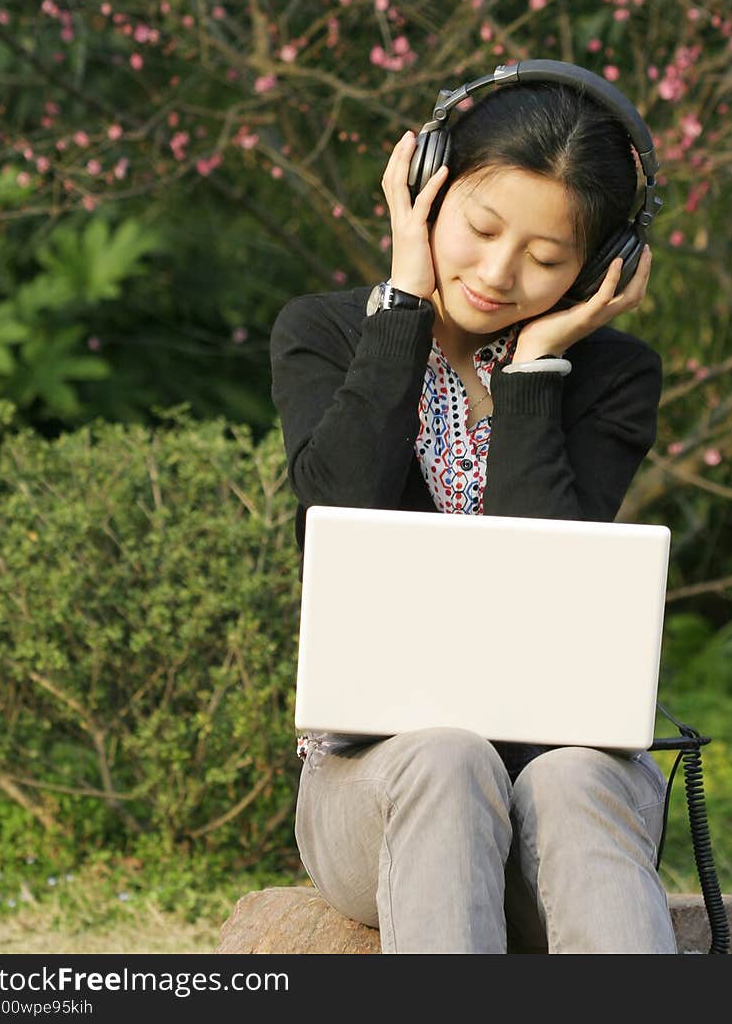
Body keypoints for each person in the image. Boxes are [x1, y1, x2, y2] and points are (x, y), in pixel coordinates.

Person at [269, 68, 676, 954]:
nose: (498, 275)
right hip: (376, 791)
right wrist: (405, 305)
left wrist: (534, 371)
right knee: (444, 753)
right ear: (425, 193)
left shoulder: (614, 378)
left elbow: (552, 577)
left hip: (565, 806)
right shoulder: (324, 335)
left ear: (602, 267)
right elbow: (341, 507)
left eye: (546, 258)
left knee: (572, 778)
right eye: (480, 229)